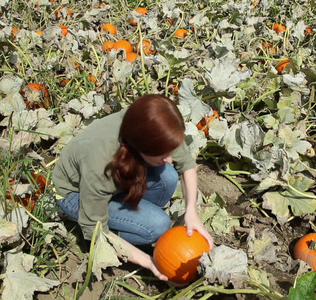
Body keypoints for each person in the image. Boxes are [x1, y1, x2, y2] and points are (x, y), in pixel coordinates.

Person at [52, 94, 214, 282]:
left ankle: (133, 219)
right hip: (76, 195)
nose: (170, 159)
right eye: (162, 155)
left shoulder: (148, 124)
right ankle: (133, 231)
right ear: (141, 147)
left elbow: (186, 164)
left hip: (108, 182)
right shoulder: (99, 163)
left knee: (167, 176)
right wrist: (149, 261)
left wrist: (191, 212)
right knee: (157, 226)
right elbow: (97, 233)